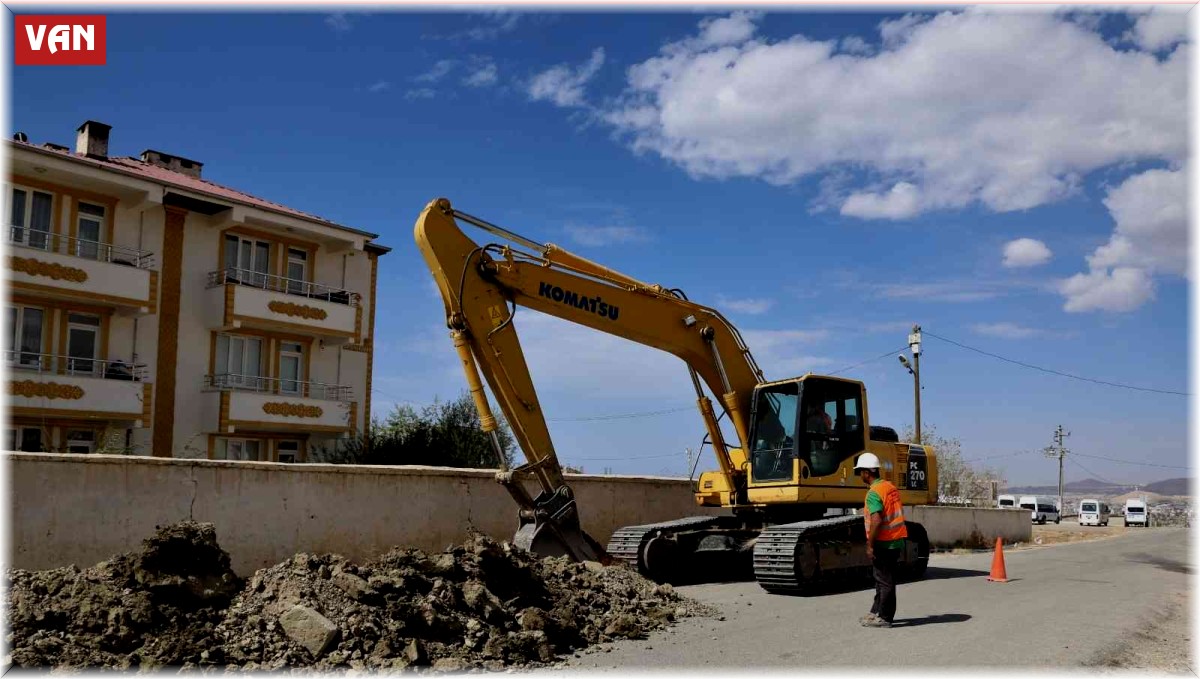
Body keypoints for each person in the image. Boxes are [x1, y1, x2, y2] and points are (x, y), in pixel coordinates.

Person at [855, 452, 907, 628]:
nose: (860, 475)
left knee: (885, 581)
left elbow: (876, 520)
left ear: (866, 472)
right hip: (895, 539)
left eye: (860, 471)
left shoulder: (873, 493)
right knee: (881, 579)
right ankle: (876, 611)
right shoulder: (889, 487)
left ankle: (885, 617)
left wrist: (870, 545)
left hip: (884, 542)